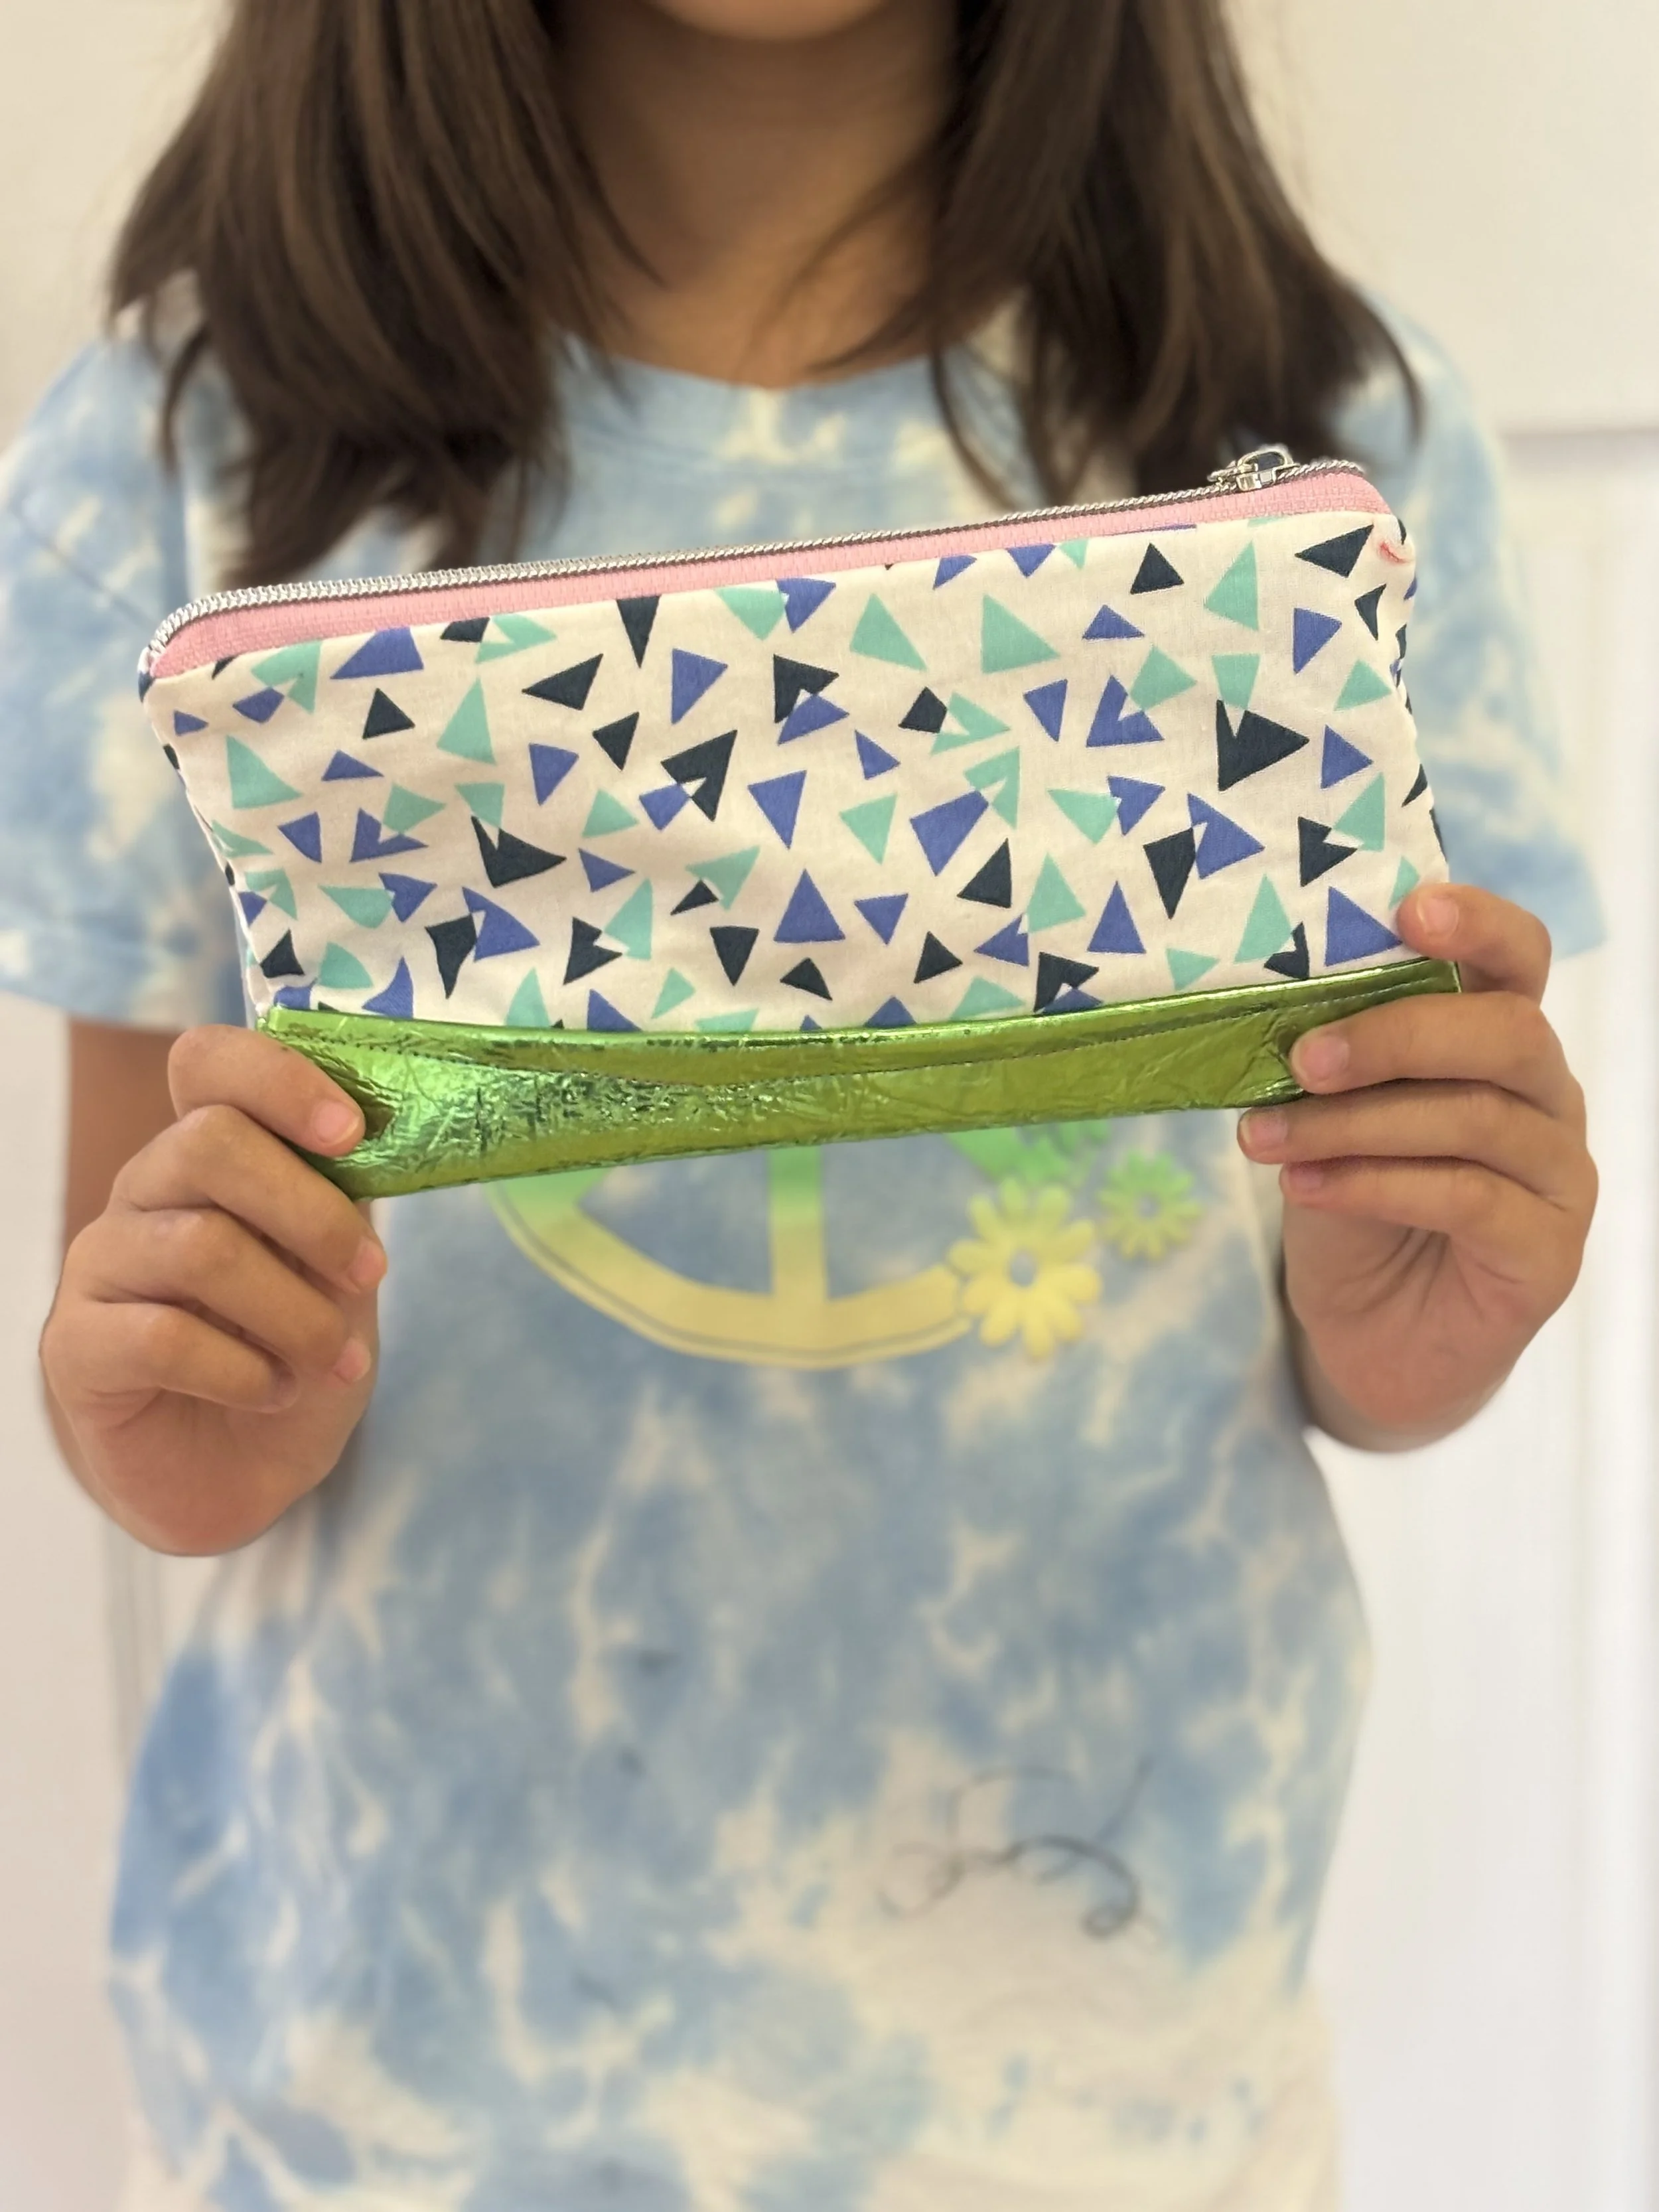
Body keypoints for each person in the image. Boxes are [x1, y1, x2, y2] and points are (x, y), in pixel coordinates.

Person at [1, 2, 1599, 2205]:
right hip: (394, 2107)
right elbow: (148, 1315)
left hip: (1098, 2090)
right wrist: (182, 1417)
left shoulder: (1334, 447)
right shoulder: (189, 450)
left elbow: (1374, 1306)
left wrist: (1413, 1329)